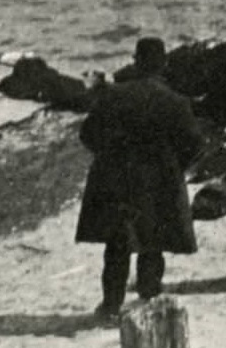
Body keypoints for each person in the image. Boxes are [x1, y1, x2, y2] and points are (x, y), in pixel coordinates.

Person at [76, 38, 203, 320]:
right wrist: (173, 167)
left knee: (117, 245)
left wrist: (108, 159)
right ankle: (148, 299)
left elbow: (87, 134)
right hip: (157, 184)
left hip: (117, 182)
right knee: (153, 242)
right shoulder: (175, 102)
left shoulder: (112, 95)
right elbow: (194, 143)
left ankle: (110, 305)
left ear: (136, 61)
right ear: (164, 64)